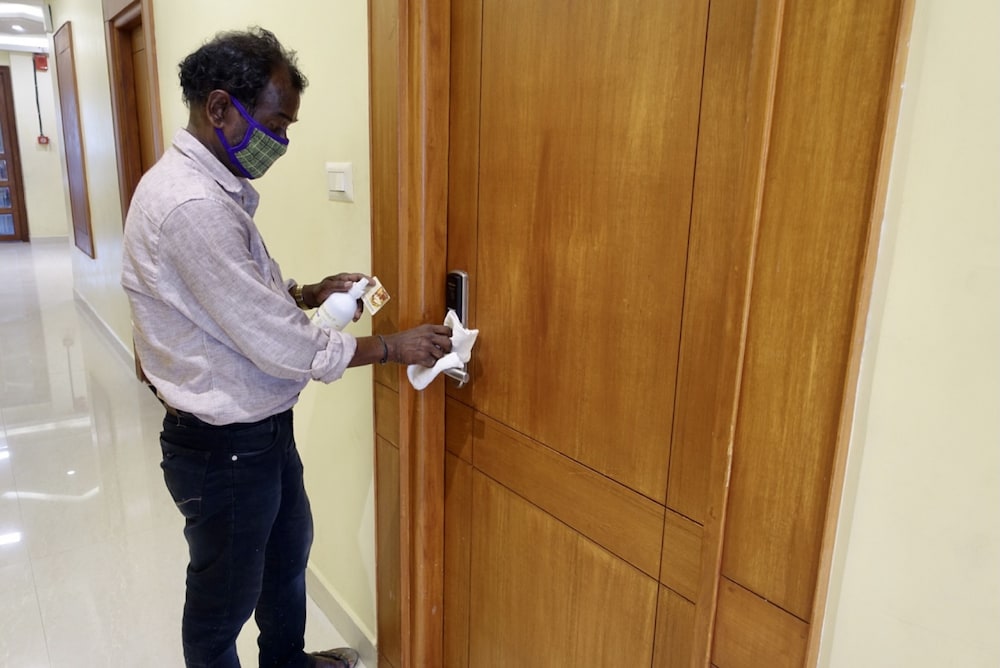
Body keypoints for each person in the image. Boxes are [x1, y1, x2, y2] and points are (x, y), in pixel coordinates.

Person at [120, 27, 452, 668]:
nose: (282, 141)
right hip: (223, 448)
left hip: (260, 431)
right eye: (276, 124)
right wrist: (390, 347)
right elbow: (279, 346)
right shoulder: (190, 205)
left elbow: (229, 299)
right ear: (220, 108)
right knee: (222, 604)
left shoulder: (212, 191)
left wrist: (305, 292)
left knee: (285, 562)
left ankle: (288, 663)